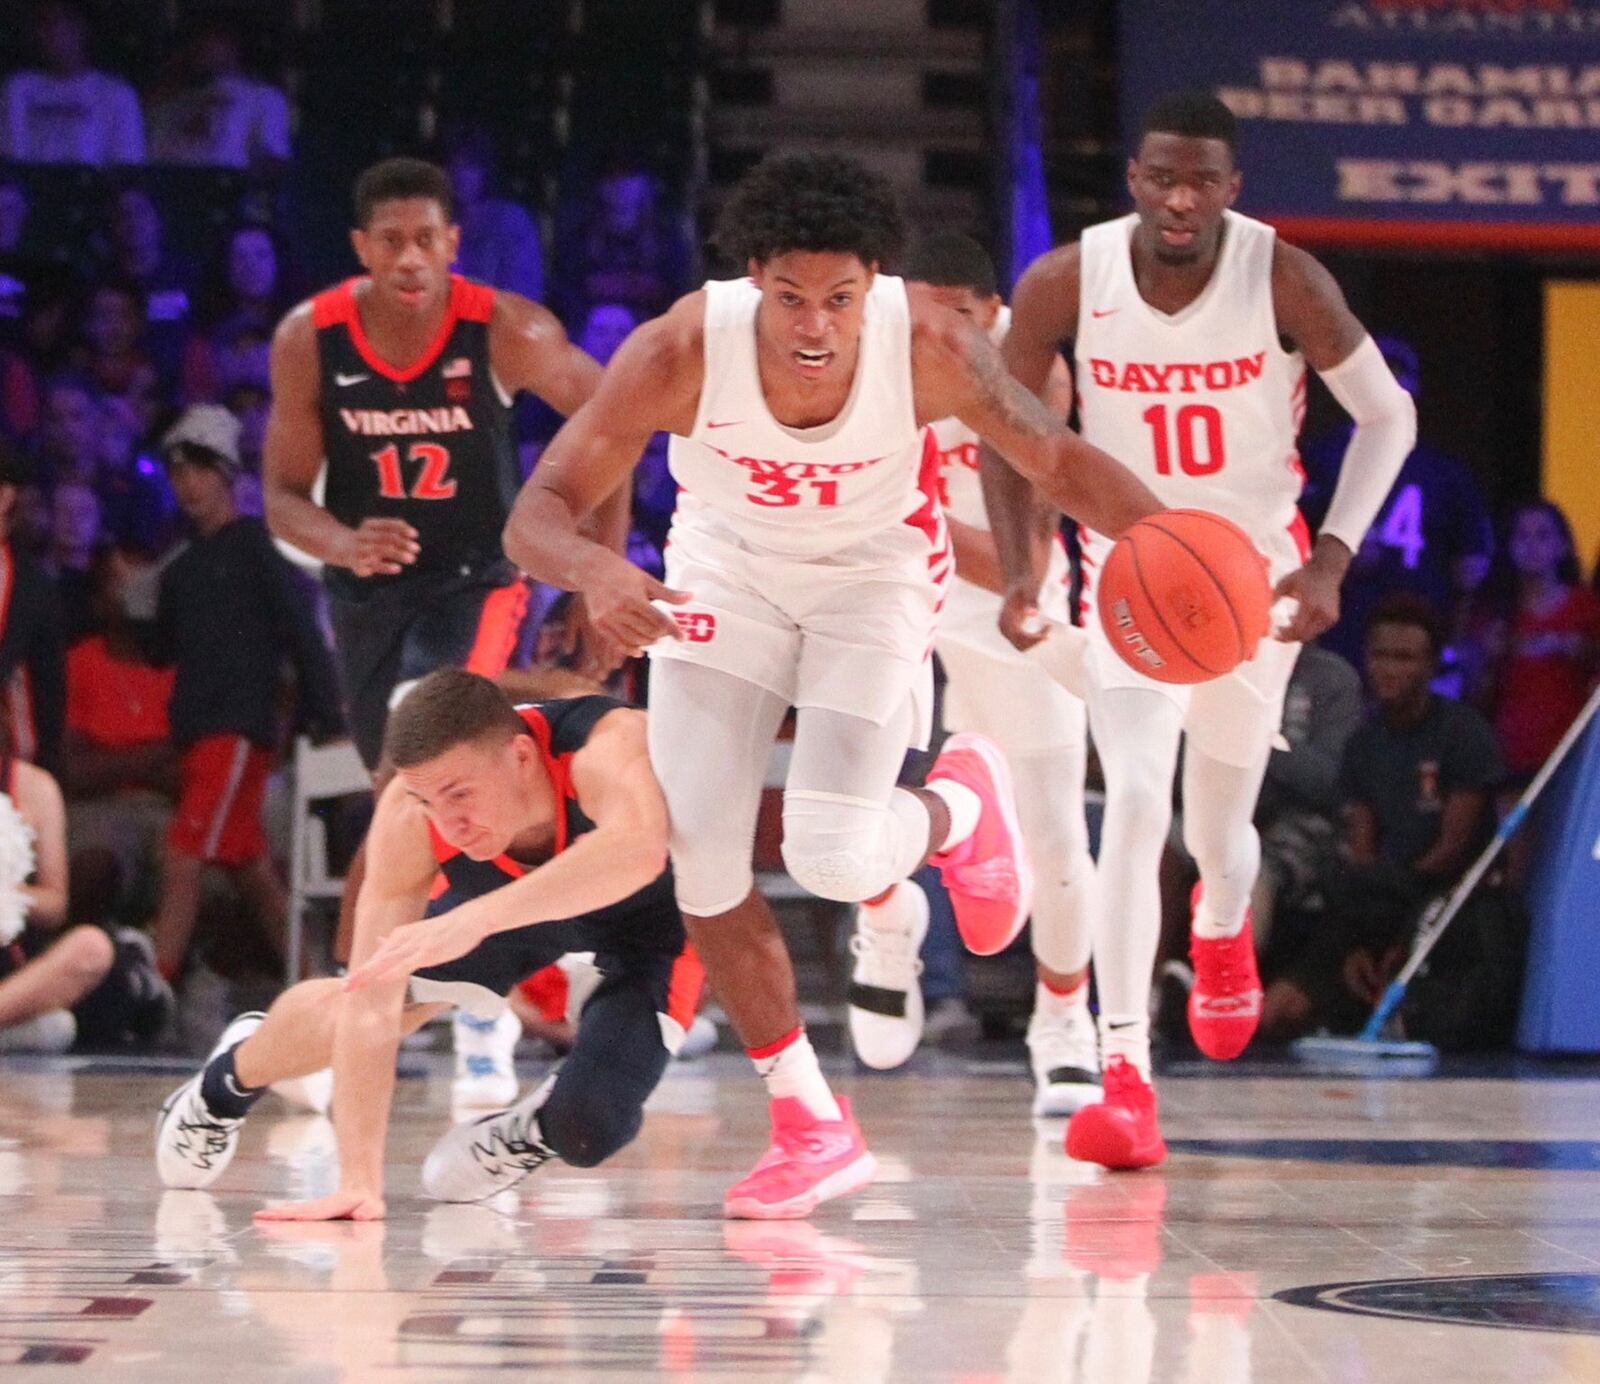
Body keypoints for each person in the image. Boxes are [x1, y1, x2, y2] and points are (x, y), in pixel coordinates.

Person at [504, 151, 1164, 1217]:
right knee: (702, 856)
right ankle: (810, 1123)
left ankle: (959, 803)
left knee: (827, 849)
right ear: (752, 276)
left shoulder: (934, 346)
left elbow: (1055, 464)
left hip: (873, 578)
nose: (815, 324)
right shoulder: (678, 349)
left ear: (878, 287)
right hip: (725, 574)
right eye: (791, 297)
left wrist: (1173, 538)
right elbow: (537, 506)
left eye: (841, 299)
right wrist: (596, 571)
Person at [984, 91, 1417, 1168]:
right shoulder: (1063, 280)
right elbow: (999, 428)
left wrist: (1328, 559)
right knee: (1132, 800)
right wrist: (1027, 563)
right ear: (1132, 175)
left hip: (1249, 588)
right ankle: (1124, 1072)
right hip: (1129, 578)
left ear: (1231, 188)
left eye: (1202, 181)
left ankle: (1223, 917)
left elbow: (1389, 415)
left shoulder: (1281, 275)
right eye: (1161, 177)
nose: (1180, 199)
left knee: (1216, 831)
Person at [262, 157, 609, 1103]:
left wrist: (591, 578)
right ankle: (519, 995)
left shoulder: (506, 329)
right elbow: (281, 498)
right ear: (361, 250)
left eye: (428, 239)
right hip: (367, 597)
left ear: (454, 245)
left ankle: (347, 1012)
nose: (410, 257)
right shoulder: (310, 339)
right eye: (391, 241)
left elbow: (618, 424)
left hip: (479, 582)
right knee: (436, 805)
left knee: (415, 768)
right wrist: (342, 537)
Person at [153, 669, 703, 1220]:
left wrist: (476, 919)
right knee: (364, 999)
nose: (449, 823)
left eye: (460, 794)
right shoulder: (409, 812)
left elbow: (637, 852)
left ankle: (531, 1129)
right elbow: (371, 1003)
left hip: (649, 927)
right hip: (505, 916)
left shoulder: (609, 746)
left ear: (521, 756)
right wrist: (359, 1184)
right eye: (427, 798)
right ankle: (221, 1087)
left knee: (590, 1127)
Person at [844, 231, 1100, 1115]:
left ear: (995, 317)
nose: (941, 337)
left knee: (1055, 830)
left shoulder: (1033, 371)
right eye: (925, 314)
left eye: (960, 316)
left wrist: (891, 516)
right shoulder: (869, 360)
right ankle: (885, 918)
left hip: (1010, 600)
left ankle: (1064, 1019)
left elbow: (1019, 554)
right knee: (845, 775)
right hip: (902, 590)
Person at [137, 405, 345, 983]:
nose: (188, 484)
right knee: (248, 865)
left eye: (201, 470)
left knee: (185, 850)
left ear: (228, 475)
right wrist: (139, 601)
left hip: (236, 727)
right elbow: (160, 652)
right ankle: (311, 981)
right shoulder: (180, 567)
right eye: (178, 473)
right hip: (200, 728)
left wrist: (326, 713)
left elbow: (303, 634)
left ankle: (156, 980)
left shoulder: (257, 547)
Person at [1259, 594, 1505, 1043]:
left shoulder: (1463, 734)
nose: (1388, 669)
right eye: (1379, 655)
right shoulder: (1363, 745)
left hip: (1447, 902)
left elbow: (1452, 851)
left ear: (1431, 665)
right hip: (1378, 902)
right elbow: (1362, 850)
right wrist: (1358, 938)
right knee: (1276, 1013)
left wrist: (1402, 934)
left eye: (1404, 657)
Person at [1300, 336, 1494, 674]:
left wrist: (1455, 643)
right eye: (1381, 372)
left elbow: (1471, 566)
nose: (1389, 383)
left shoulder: (1443, 472)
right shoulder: (1321, 458)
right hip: (1337, 630)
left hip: (1422, 633)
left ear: (1414, 385)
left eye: (1398, 373)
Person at [0, 723, 169, 1052]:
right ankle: (18, 1030)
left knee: (91, 947)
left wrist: (8, 896)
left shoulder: (33, 786)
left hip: (17, 966)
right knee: (56, 1028)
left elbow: (55, 905)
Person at [1462, 500, 1600, 789]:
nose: (1531, 546)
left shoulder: (1587, 608)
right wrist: (1488, 660)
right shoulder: (1494, 614)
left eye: (1543, 535)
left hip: (1572, 755)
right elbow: (1473, 698)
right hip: (1508, 756)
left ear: (1563, 546)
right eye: (1522, 536)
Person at [0, 1, 144, 166]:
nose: (42, 34)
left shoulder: (117, 95)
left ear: (79, 27)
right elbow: (10, 164)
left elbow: (129, 170)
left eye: (50, 23)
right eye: (40, 24)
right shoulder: (18, 89)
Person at [145, 16, 291, 172]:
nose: (198, 46)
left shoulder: (265, 97)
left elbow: (273, 159)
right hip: (165, 184)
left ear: (233, 46)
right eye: (194, 39)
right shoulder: (174, 96)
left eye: (211, 38)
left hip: (225, 186)